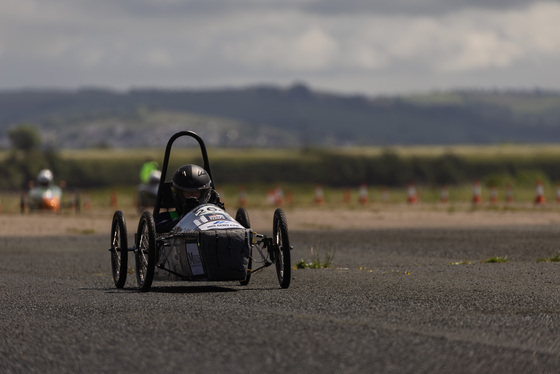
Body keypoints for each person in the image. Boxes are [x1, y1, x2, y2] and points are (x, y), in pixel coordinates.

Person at [155, 164, 223, 232]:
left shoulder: (211, 215)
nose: (192, 196)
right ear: (178, 194)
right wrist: (184, 218)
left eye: (196, 192)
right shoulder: (168, 217)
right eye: (188, 193)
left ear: (204, 193)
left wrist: (221, 214)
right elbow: (157, 228)